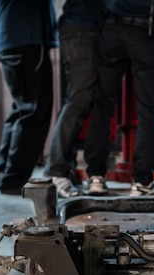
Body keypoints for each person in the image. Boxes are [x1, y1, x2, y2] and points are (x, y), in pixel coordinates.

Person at [84, 0, 154, 196]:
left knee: (103, 105)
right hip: (147, 31)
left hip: (112, 28)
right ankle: (142, 181)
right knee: (148, 111)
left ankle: (95, 177)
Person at [0, 0, 58, 195]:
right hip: (28, 40)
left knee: (22, 109)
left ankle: (3, 174)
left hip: (13, 40)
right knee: (33, 112)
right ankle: (14, 179)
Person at [43, 0, 102, 198]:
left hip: (82, 27)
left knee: (78, 99)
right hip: (82, 28)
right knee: (79, 100)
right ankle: (56, 171)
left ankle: (63, 168)